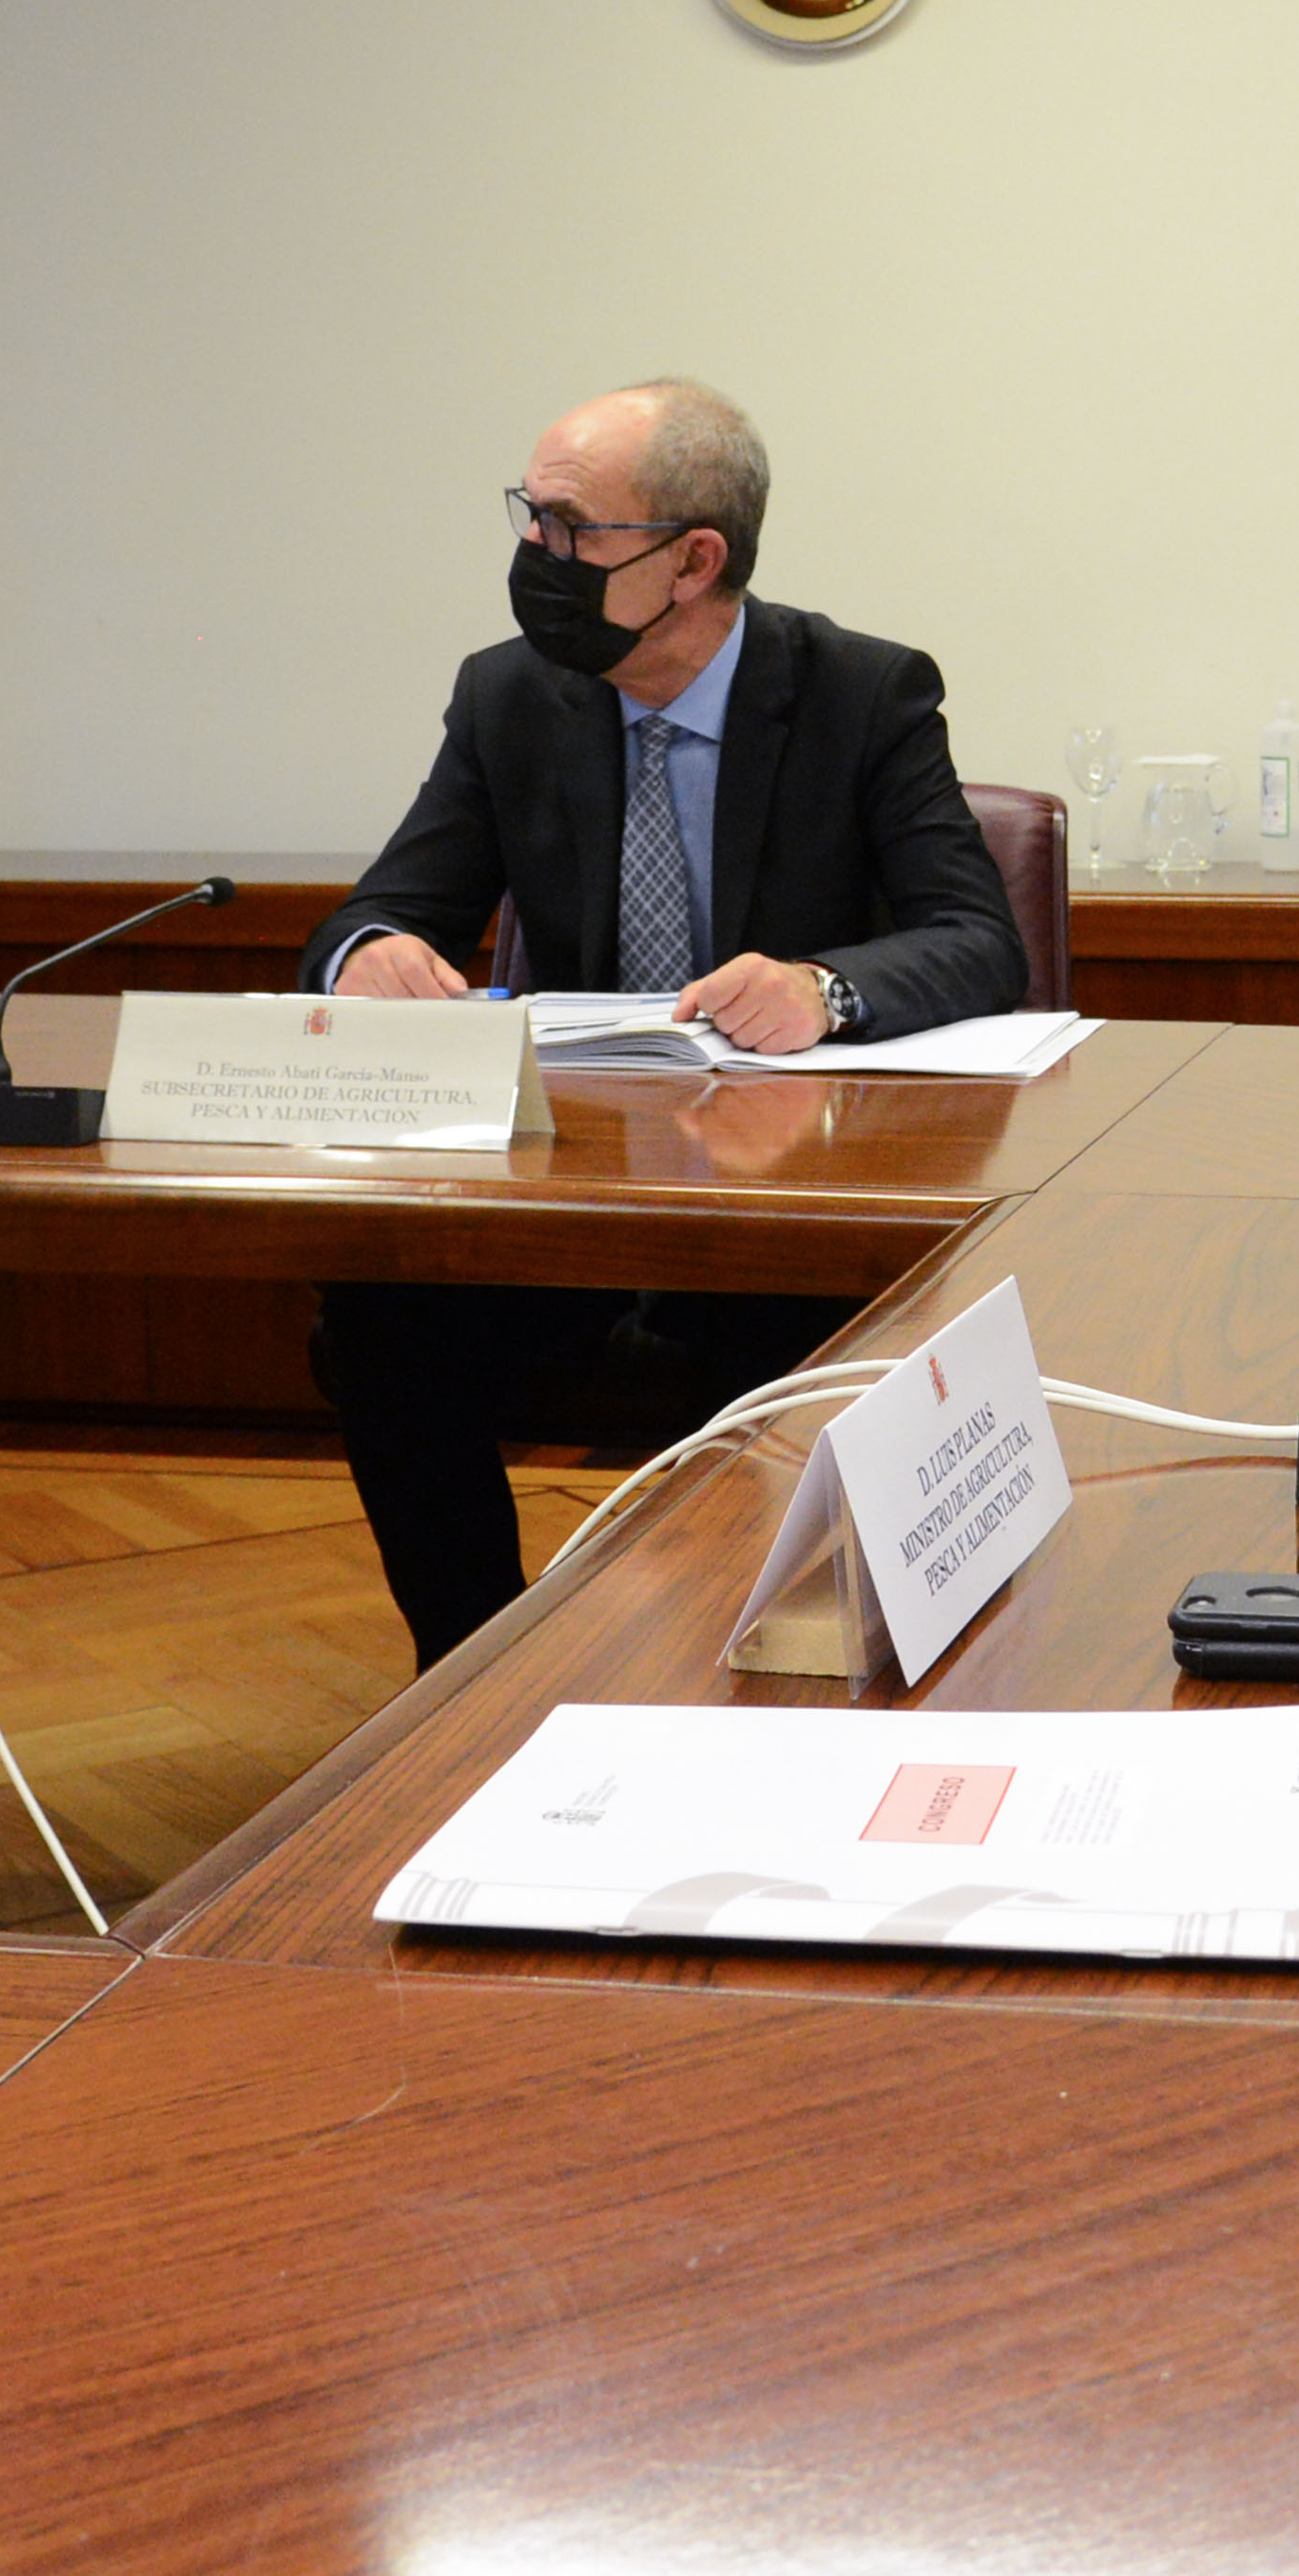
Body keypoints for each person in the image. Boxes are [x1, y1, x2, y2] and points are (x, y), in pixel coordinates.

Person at [309, 378, 1024, 1667]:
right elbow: (381, 911)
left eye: (572, 527)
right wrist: (374, 955)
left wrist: (823, 988)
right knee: (378, 1312)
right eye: (531, 516)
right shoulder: (508, 697)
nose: (537, 553)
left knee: (777, 1355)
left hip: (787, 1201)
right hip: (575, 1192)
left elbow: (977, 939)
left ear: (694, 560)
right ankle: (469, 1669)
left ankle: (742, 1678)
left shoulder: (862, 692)